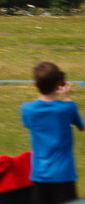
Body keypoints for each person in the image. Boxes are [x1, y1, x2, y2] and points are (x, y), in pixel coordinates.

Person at [21, 61, 84, 204]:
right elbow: (82, 125)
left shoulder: (27, 109)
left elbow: (27, 124)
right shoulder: (67, 108)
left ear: (35, 84)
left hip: (39, 175)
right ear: (59, 84)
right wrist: (67, 97)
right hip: (64, 175)